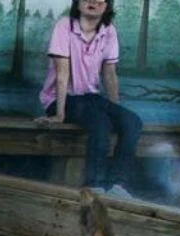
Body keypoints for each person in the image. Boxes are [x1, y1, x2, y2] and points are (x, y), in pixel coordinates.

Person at [35, 0, 143, 198]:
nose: (93, 1)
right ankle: (95, 185)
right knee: (99, 122)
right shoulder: (64, 26)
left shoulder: (108, 31)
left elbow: (109, 74)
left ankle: (117, 184)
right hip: (61, 99)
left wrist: (114, 110)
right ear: (77, 3)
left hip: (91, 98)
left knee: (132, 122)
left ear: (107, 5)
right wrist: (59, 114)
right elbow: (62, 74)